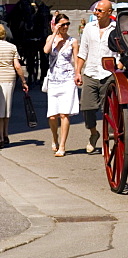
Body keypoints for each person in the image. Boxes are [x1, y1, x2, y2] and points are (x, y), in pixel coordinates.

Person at [74, 0, 120, 153]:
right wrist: (77, 72)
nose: (96, 13)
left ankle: (110, 139)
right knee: (87, 107)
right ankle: (94, 133)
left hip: (109, 74)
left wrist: (118, 67)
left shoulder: (116, 28)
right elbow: (83, 52)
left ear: (109, 12)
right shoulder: (89, 28)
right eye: (96, 10)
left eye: (100, 11)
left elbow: (121, 52)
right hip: (91, 73)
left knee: (109, 110)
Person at [43, 14, 79, 156]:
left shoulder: (73, 41)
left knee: (64, 114)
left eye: (67, 24)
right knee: (52, 116)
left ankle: (63, 145)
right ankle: (55, 137)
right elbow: (46, 50)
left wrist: (78, 73)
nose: (65, 27)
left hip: (67, 79)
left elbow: (76, 59)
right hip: (53, 79)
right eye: (62, 24)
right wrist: (54, 33)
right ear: (56, 25)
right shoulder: (51, 39)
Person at [0, 24, 28, 147]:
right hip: (9, 78)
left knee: (0, 109)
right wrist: (23, 81)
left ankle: (0, 136)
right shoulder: (12, 47)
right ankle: (6, 133)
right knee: (7, 106)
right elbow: (17, 66)